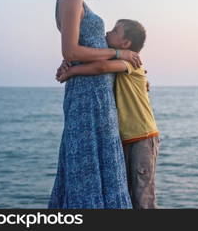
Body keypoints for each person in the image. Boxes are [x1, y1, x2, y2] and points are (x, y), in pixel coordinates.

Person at [48, 0, 139, 209]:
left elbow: (77, 51)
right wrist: (117, 52)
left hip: (95, 95)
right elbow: (71, 51)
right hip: (87, 98)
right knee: (87, 167)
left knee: (98, 165)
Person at [57, 19, 160, 209]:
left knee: (143, 196)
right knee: (128, 192)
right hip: (128, 138)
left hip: (142, 137)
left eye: (115, 31)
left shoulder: (131, 61)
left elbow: (100, 68)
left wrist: (71, 72)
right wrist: (68, 62)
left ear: (126, 44)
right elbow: (95, 60)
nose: (108, 33)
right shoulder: (119, 59)